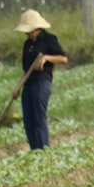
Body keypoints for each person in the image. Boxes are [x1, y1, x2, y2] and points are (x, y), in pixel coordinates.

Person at [14, 9, 69, 150]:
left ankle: (44, 151)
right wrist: (17, 87)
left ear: (36, 28)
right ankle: (34, 151)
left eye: (29, 30)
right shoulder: (27, 44)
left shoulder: (49, 39)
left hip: (42, 83)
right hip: (29, 83)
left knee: (39, 117)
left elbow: (63, 59)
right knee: (28, 120)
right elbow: (25, 70)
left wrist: (45, 58)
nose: (27, 33)